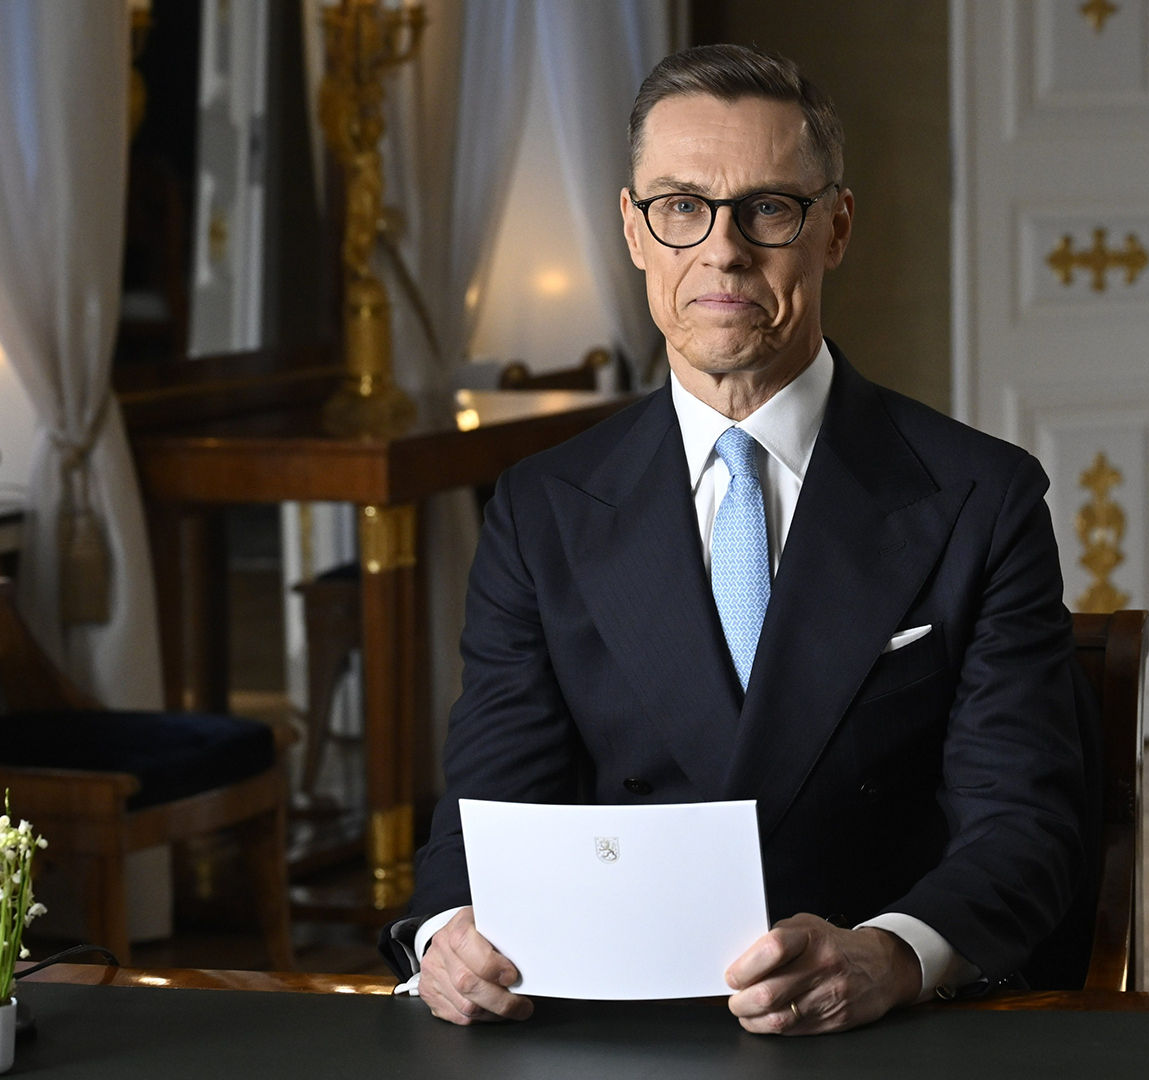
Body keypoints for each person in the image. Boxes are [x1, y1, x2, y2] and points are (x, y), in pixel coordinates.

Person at [380, 43, 1099, 1036]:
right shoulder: (539, 509)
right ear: (633, 230)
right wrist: (447, 938)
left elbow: (1025, 825)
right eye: (681, 207)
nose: (722, 251)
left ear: (835, 228)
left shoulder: (983, 497)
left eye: (768, 208)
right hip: (614, 1027)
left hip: (881, 1024)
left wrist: (891, 958)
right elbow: (486, 819)